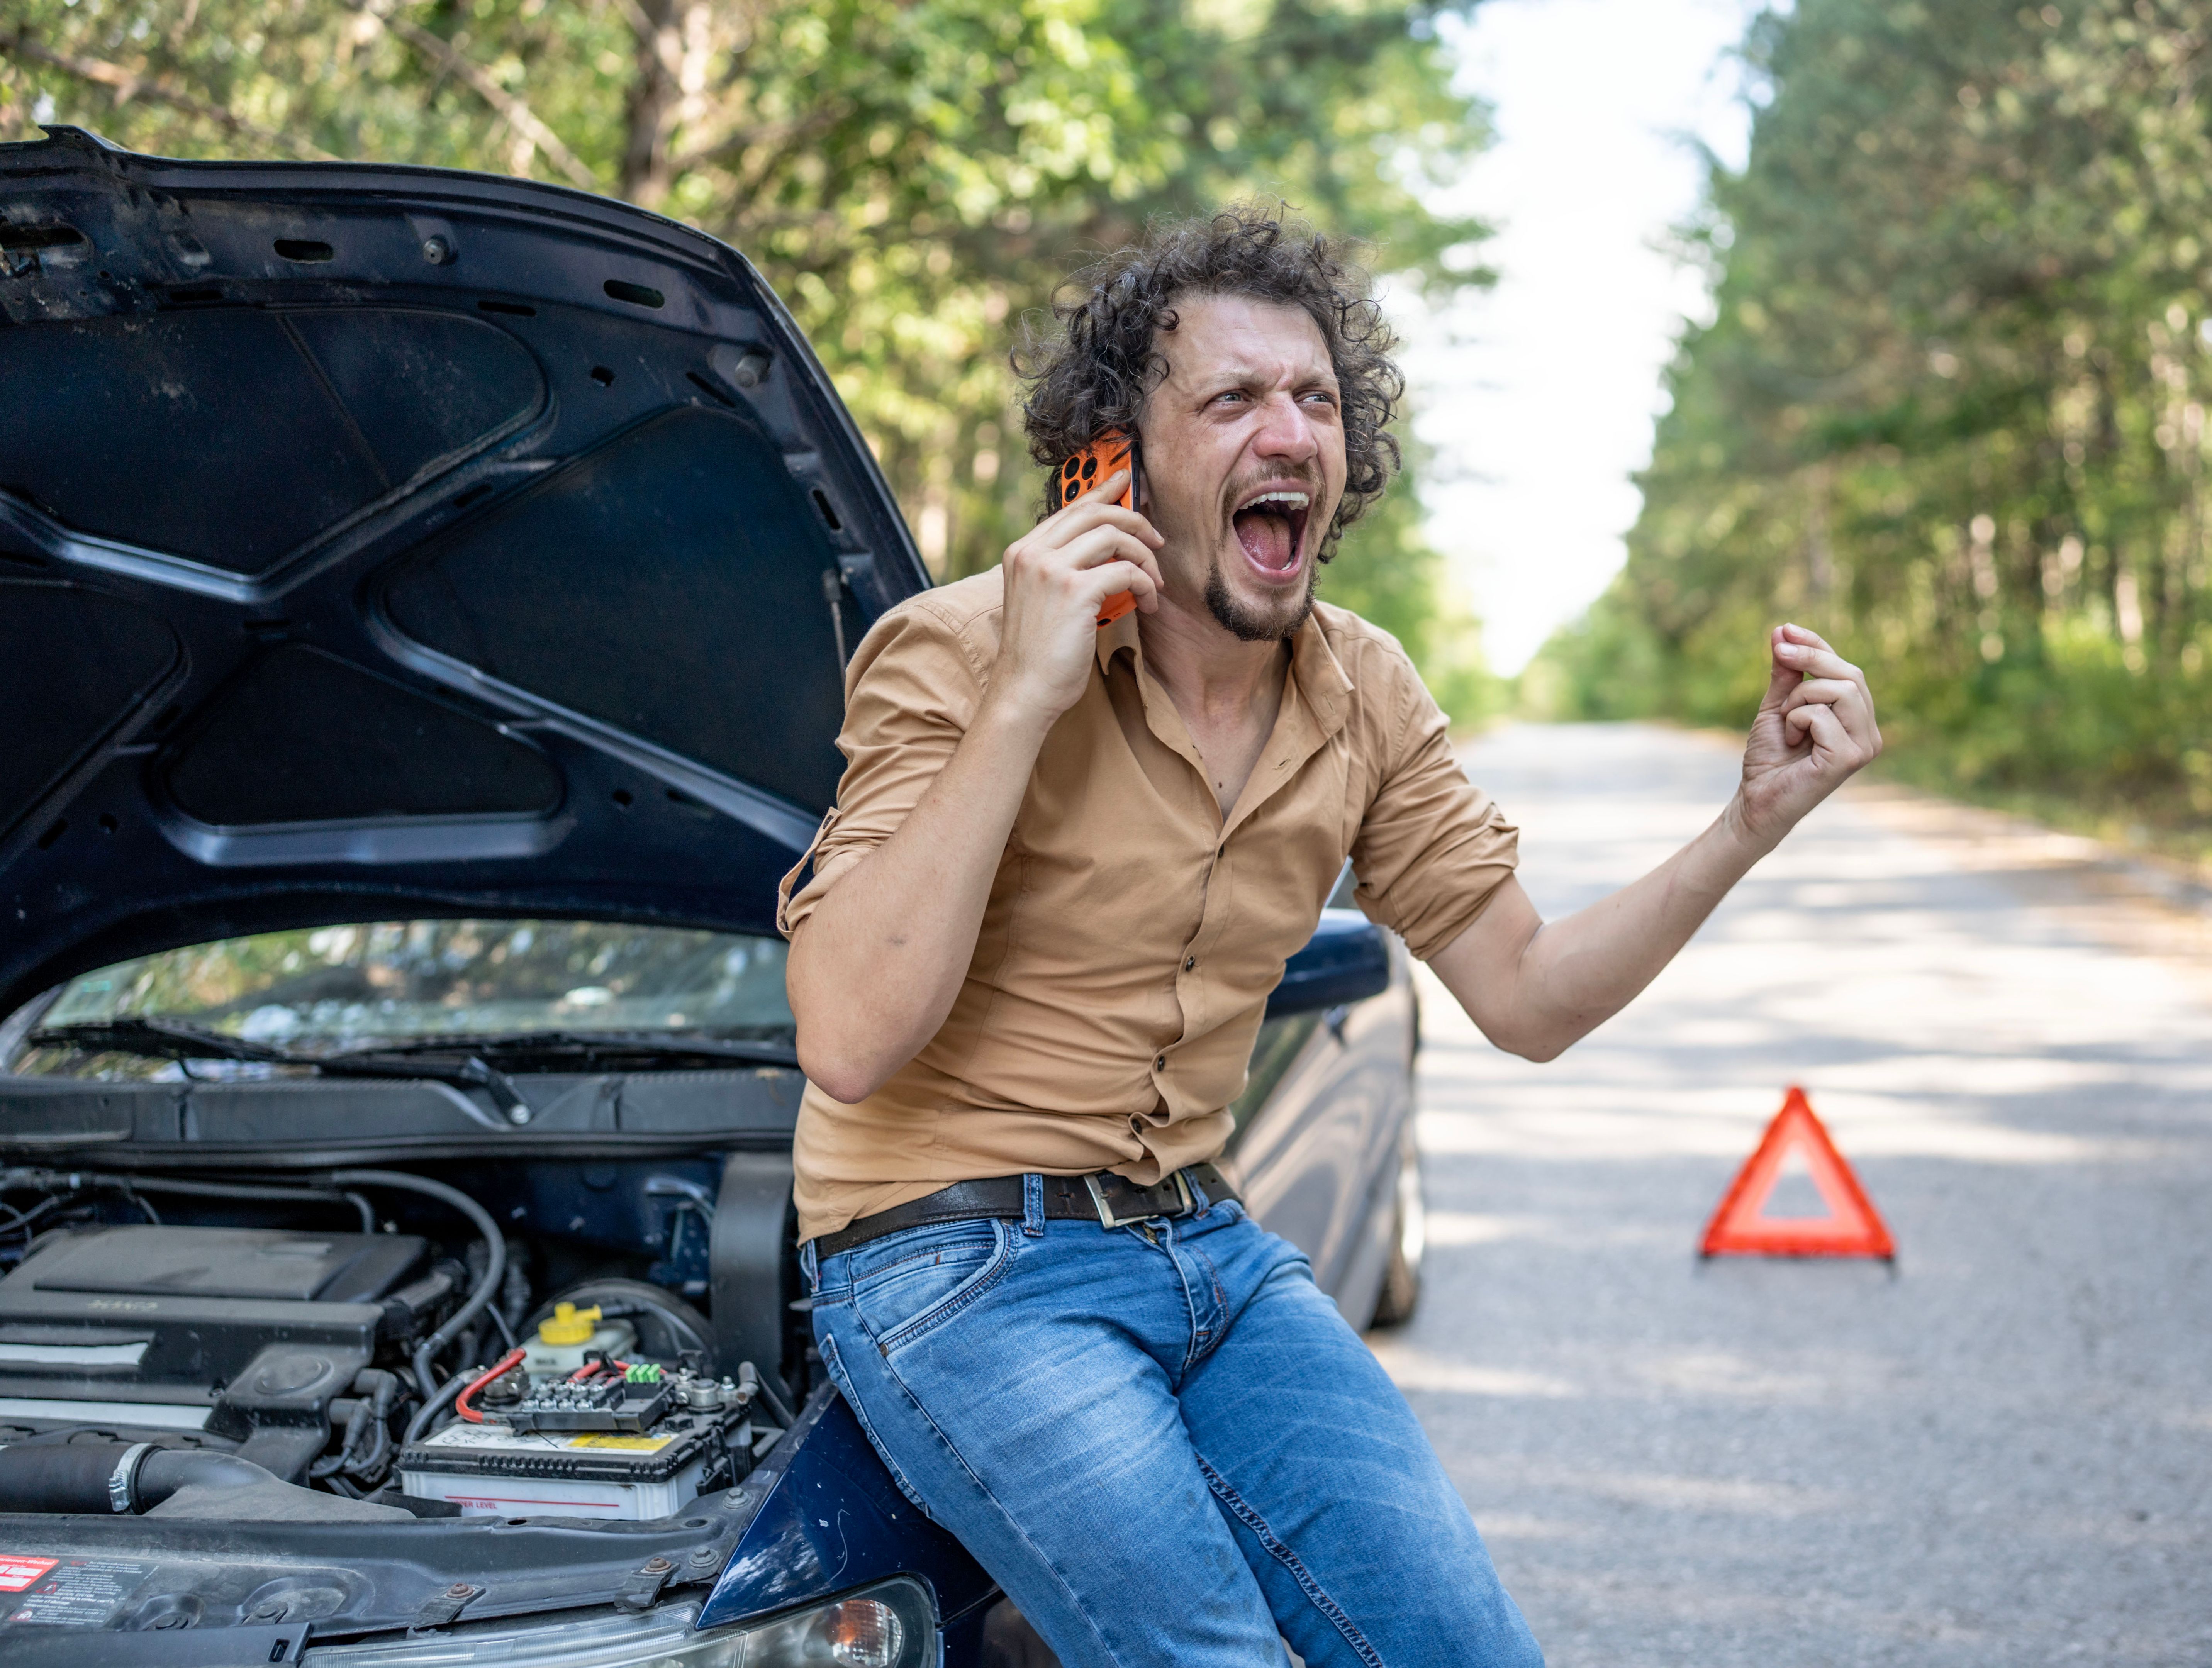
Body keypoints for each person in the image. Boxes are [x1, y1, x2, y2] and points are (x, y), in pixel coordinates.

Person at [779, 206, 1881, 1667]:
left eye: (1315, 398)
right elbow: (849, 1037)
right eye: (1231, 399)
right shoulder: (961, 650)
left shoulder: (1363, 688)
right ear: (1113, 462)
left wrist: (1750, 822)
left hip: (1205, 1251)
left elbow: (1530, 995)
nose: (1287, 428)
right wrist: (1027, 694)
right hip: (955, 1268)